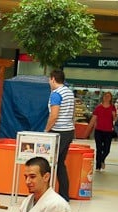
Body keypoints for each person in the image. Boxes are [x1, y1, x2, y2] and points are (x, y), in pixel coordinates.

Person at [44, 69, 75, 202]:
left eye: (49, 80)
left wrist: (46, 130)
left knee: (50, 163)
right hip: (68, 131)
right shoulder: (69, 92)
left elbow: (54, 115)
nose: (49, 82)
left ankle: (47, 194)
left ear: (53, 79)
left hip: (58, 132)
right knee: (60, 163)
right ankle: (64, 194)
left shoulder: (56, 94)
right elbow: (72, 114)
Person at [85, 91, 116, 171]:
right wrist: (87, 130)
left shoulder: (112, 107)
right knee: (99, 148)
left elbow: (115, 119)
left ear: (111, 98)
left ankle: (102, 159)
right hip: (99, 130)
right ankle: (98, 166)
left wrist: (114, 115)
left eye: (109, 96)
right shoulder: (98, 107)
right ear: (103, 97)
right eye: (105, 96)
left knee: (107, 149)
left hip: (108, 131)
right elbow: (93, 119)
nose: (107, 97)